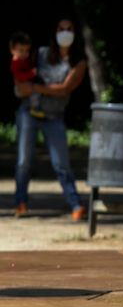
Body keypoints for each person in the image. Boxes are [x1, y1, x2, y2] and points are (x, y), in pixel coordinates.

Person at [14, 18, 87, 221]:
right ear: (55, 32)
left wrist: (35, 88)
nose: (65, 32)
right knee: (24, 161)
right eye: (61, 29)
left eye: (69, 29)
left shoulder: (78, 62)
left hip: (54, 117)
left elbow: (65, 88)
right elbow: (21, 71)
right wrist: (20, 84)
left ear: (75, 32)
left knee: (61, 163)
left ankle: (75, 204)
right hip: (29, 111)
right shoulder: (43, 53)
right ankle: (21, 202)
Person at [9, 30, 42, 117]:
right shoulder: (15, 63)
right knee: (36, 91)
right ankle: (34, 109)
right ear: (12, 50)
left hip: (26, 84)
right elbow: (19, 76)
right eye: (21, 50)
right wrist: (32, 73)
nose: (24, 53)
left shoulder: (23, 59)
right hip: (19, 88)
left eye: (27, 50)